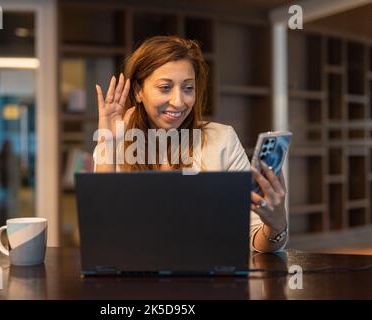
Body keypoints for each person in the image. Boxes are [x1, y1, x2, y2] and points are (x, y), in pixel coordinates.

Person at [94, 36, 288, 253]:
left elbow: (256, 242)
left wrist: (276, 225)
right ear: (139, 91)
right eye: (165, 87)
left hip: (208, 280)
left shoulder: (222, 139)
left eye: (188, 88)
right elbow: (102, 235)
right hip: (135, 278)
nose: (179, 101)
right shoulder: (115, 144)